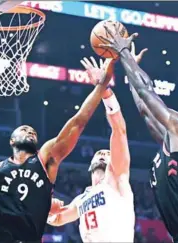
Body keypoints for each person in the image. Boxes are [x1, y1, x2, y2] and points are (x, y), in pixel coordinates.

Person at [0, 57, 115, 243]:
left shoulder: (45, 159)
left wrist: (102, 85)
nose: (30, 131)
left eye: (33, 132)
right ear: (12, 141)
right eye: (24, 130)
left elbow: (77, 122)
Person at [99, 23, 178, 243]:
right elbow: (144, 109)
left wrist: (123, 52)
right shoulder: (175, 142)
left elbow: (147, 91)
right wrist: (130, 68)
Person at [47, 57, 135, 243]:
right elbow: (58, 219)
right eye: (101, 153)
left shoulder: (116, 178)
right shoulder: (82, 198)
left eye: (107, 153)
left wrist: (104, 90)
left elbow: (119, 130)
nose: (104, 153)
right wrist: (49, 211)